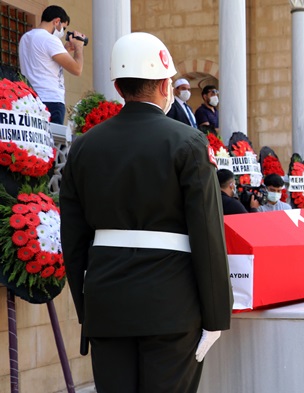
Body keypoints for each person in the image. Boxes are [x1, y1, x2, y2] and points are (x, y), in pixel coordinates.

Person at [60, 33, 232, 393]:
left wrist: (88, 309)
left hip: (107, 305)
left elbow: (73, 242)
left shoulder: (84, 147)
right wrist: (216, 315)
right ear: (165, 84)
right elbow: (207, 233)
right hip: (172, 305)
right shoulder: (188, 143)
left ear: (119, 87)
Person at [19, 5, 85, 124]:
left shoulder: (26, 38)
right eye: (63, 28)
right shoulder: (50, 40)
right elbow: (77, 69)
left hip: (29, 99)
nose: (62, 32)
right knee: (53, 141)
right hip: (51, 100)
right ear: (57, 21)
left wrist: (64, 49)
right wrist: (79, 46)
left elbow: (42, 60)